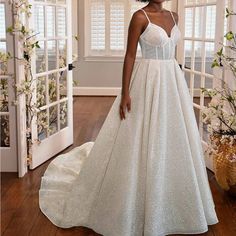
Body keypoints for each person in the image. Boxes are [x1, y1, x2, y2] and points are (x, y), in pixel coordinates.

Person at [39, 0, 219, 235]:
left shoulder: (175, 16)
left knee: (172, 133)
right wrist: (125, 93)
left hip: (172, 81)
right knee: (141, 134)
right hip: (147, 81)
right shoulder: (140, 17)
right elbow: (131, 56)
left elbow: (171, 52)